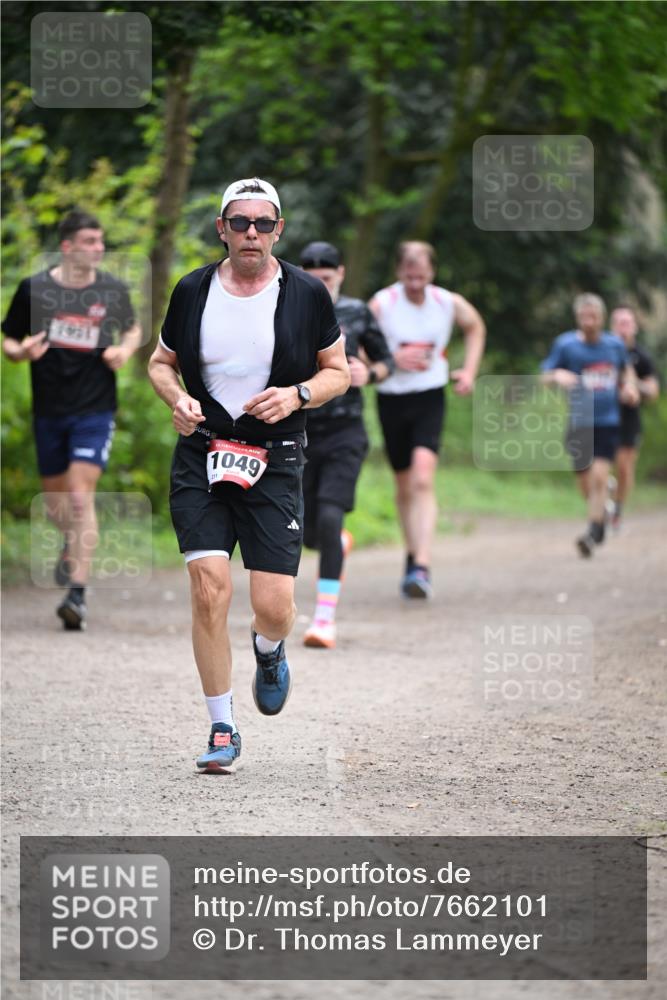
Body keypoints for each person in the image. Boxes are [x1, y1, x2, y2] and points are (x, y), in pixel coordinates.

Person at [147, 178, 349, 774]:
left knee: (274, 606)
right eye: (240, 223)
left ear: (279, 230)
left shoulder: (307, 293)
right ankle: (221, 727)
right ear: (222, 229)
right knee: (210, 589)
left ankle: (270, 649)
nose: (252, 233)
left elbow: (339, 371)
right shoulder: (192, 291)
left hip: (275, 457)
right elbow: (161, 365)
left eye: (263, 223)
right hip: (202, 453)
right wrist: (175, 400)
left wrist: (298, 394)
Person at [2, 209, 141, 629]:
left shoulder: (111, 290)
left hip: (95, 408)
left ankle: (76, 596)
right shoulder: (35, 289)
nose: (99, 249)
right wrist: (22, 351)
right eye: (90, 242)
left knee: (80, 496)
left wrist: (125, 350)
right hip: (50, 409)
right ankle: (70, 544)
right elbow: (8, 339)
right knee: (56, 503)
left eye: (101, 242)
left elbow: (132, 329)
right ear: (67, 247)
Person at [368, 241, 485, 599]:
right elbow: (356, 344)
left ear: (431, 272)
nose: (415, 282)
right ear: (399, 272)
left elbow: (476, 326)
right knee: (404, 485)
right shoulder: (382, 303)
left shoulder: (446, 302)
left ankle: (422, 564)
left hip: (430, 396)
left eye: (421, 275)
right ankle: (412, 552)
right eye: (408, 275)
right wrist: (391, 360)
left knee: (422, 477)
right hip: (391, 398)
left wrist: (469, 371)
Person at [299, 240, 394, 649]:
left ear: (340, 275)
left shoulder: (357, 312)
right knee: (306, 532)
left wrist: (369, 373)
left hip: (345, 431)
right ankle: (335, 543)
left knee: (331, 516)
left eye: (327, 278)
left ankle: (323, 620)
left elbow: (386, 361)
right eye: (312, 279)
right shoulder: (289, 309)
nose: (320, 285)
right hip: (298, 430)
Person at [540, 293, 639, 557]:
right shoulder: (565, 345)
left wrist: (629, 387)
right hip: (579, 420)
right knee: (585, 481)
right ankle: (600, 510)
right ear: (577, 319)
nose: (589, 321)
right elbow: (544, 376)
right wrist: (557, 375)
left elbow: (626, 370)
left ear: (602, 318)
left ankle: (594, 532)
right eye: (584, 317)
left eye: (593, 316)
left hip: (608, 420)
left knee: (598, 477)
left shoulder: (614, 345)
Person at [609, 304, 660, 529]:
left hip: (629, 419)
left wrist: (633, 384)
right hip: (601, 415)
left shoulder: (642, 358)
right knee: (596, 464)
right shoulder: (601, 350)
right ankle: (605, 492)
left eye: (627, 323)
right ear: (611, 327)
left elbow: (653, 391)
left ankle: (617, 509)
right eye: (619, 323)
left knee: (624, 467)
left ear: (635, 327)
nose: (623, 328)